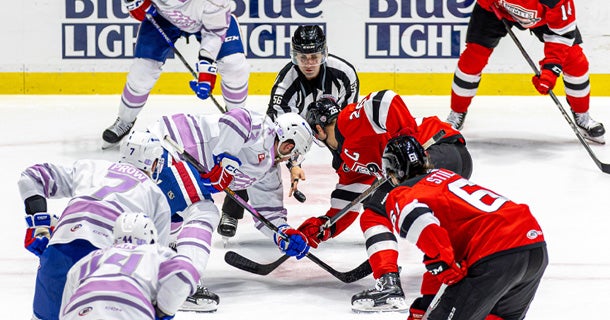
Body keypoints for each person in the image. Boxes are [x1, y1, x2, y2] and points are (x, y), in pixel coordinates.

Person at [295, 91, 472, 312]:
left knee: (374, 212)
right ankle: (468, 273)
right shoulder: (346, 161)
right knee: (433, 215)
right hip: (456, 157)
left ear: (318, 131)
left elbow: (385, 99)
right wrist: (324, 226)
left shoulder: (346, 122)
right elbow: (349, 200)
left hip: (432, 150)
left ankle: (388, 284)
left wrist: (405, 139)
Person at [356, 135, 547, 320]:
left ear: (392, 171)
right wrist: (428, 302)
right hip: (534, 244)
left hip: (495, 251)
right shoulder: (447, 176)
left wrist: (442, 262)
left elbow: (419, 221)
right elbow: (447, 249)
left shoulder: (402, 193)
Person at [217, 24, 360, 239]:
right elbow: (286, 137)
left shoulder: (344, 75)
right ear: (294, 56)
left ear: (323, 53)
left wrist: (347, 151)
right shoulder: (285, 87)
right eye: (303, 57)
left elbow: (350, 122)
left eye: (314, 56)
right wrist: (294, 165)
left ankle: (376, 203)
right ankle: (231, 211)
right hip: (296, 126)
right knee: (256, 157)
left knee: (357, 156)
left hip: (331, 124)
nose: (309, 63)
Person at [19, 131, 171, 320]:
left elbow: (31, 176)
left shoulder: (90, 166)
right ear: (154, 162)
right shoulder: (155, 195)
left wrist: (39, 224)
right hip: (104, 264)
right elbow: (155, 261)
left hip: (58, 250)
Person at [146, 107, 314, 256]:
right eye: (293, 154)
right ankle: (183, 271)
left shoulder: (268, 170)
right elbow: (237, 117)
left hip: (179, 166)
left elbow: (269, 212)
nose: (289, 160)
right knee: (202, 210)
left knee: (173, 213)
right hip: (170, 144)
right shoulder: (264, 129)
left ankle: (153, 255)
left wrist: (283, 233)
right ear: (288, 146)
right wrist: (224, 158)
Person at [447, 0, 605, 144]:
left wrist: (550, 71)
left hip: (544, 19)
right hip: (494, 10)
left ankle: (582, 115)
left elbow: (562, 36)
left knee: (576, 61)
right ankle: (457, 112)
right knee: (473, 58)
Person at [102, 0, 250, 148]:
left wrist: (206, 71)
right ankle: (124, 121)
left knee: (234, 64)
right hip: (161, 16)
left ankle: (235, 121)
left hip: (211, 21)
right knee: (143, 70)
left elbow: (214, 34)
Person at [60, 212, 200, 320]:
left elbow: (64, 310)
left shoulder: (90, 258)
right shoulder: (155, 252)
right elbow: (184, 269)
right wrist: (164, 310)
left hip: (80, 310)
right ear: (150, 236)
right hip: (130, 310)